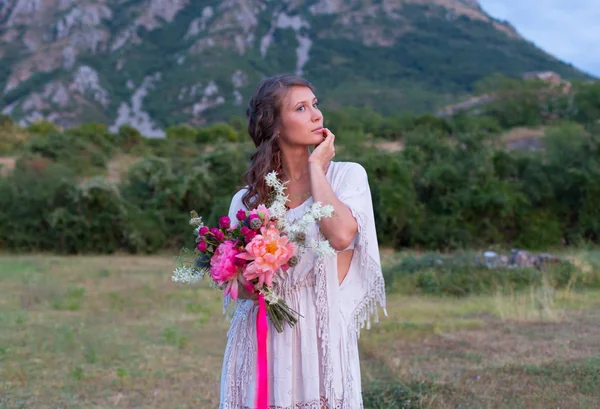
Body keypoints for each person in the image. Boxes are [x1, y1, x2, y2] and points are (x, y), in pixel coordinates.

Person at [219, 74, 386, 409]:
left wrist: (316, 168)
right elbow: (239, 288)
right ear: (276, 125)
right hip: (262, 334)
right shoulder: (248, 201)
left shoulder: (347, 176)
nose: (316, 115)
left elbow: (340, 235)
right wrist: (244, 275)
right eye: (301, 107)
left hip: (320, 333)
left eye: (315, 104)